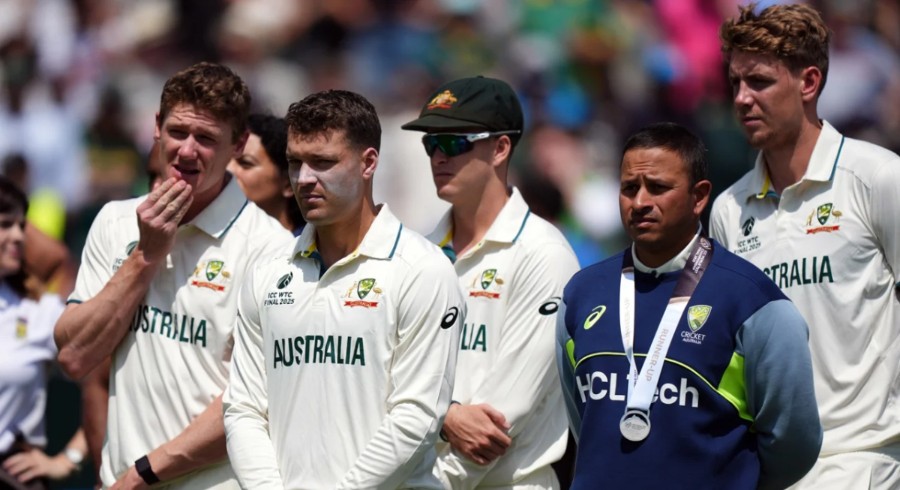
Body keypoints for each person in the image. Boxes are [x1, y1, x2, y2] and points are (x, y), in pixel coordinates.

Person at [53, 62, 293, 489]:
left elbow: (254, 402)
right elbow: (74, 356)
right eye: (178, 132)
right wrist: (144, 257)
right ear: (156, 127)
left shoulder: (270, 248)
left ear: (237, 144)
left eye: (206, 138)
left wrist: (144, 473)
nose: (186, 151)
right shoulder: (115, 221)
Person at [557, 123, 822, 489]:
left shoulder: (753, 301)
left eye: (658, 188)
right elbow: (582, 419)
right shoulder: (581, 294)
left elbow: (794, 444)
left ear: (699, 197)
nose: (640, 202)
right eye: (629, 188)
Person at [223, 89, 464, 489]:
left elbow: (417, 417)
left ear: (368, 163)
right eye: (295, 163)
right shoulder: (266, 271)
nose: (304, 179)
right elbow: (243, 409)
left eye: (323, 162)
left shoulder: (422, 270)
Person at [711, 4, 900, 488]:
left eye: (759, 82)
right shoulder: (728, 210)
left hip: (862, 460)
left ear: (809, 83)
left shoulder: (878, 177)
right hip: (769, 467)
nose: (742, 98)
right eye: (735, 83)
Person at [401, 76, 579, 488]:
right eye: (431, 143)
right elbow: (387, 387)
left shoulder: (543, 254)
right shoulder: (418, 253)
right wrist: (446, 417)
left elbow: (499, 424)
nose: (438, 157)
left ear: (500, 148)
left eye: (454, 143)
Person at [0, 176, 88, 490]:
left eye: (22, 226)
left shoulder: (40, 311)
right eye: (5, 225)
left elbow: (108, 383)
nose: (19, 236)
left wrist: (68, 459)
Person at [227, 113, 305, 235]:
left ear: (289, 184)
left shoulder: (310, 243)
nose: (229, 169)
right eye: (226, 160)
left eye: (246, 163)